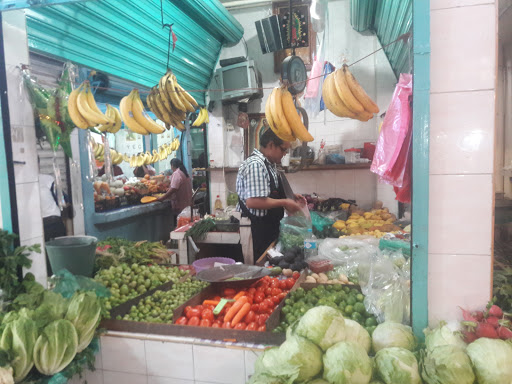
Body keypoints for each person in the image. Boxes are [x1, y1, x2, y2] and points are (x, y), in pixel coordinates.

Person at [236, 128, 305, 263]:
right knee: (257, 268)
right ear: (271, 145)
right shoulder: (256, 165)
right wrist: (284, 202)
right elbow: (254, 201)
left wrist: (291, 196)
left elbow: (268, 192)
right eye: (283, 149)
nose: (285, 154)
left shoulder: (270, 165)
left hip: (267, 227)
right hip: (256, 229)